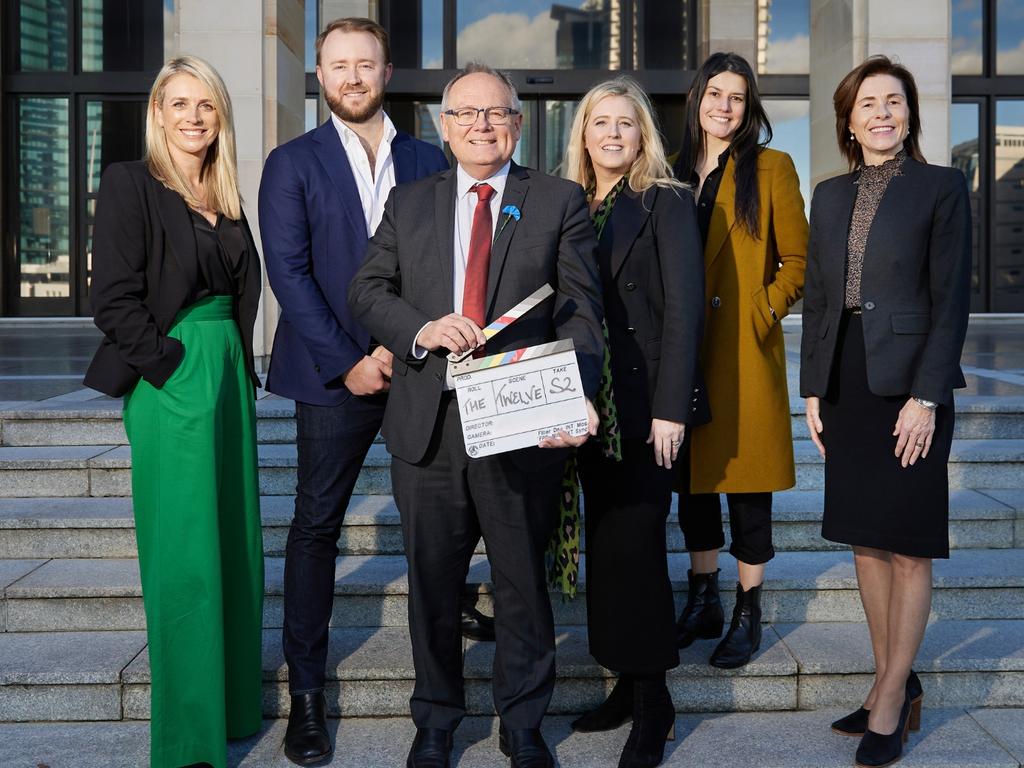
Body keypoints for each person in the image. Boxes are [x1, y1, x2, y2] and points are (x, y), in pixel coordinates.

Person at [349, 62, 604, 768]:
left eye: (496, 114)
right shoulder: (410, 202)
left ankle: (521, 723)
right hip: (428, 425)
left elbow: (581, 308)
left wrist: (578, 386)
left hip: (522, 423)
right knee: (433, 583)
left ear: (518, 125)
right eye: (466, 114)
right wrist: (421, 328)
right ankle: (435, 720)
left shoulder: (557, 200)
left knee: (521, 581)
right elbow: (367, 290)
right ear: (444, 126)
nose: (481, 125)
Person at [257, 17, 449, 766]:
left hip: (422, 371)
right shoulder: (291, 162)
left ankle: (441, 693)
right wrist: (350, 363)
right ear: (320, 73)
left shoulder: (431, 155)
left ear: (388, 71)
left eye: (364, 63)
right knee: (315, 529)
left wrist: (407, 344)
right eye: (338, 65)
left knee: (440, 522)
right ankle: (306, 700)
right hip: (333, 376)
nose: (352, 76)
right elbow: (290, 275)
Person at [84, 56, 263, 768]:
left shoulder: (224, 193)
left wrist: (230, 374)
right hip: (177, 379)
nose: (194, 117)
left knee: (236, 550)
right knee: (186, 558)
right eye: (180, 104)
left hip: (227, 378)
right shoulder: (132, 183)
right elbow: (113, 300)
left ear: (221, 118)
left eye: (207, 106)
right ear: (157, 111)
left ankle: (233, 708)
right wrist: (173, 368)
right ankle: (189, 739)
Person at [801, 55, 971, 768]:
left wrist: (926, 397)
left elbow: (952, 297)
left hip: (908, 386)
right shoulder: (830, 193)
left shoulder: (942, 187)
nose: (881, 113)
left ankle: (894, 702)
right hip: (844, 383)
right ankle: (886, 683)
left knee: (907, 545)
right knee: (866, 542)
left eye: (893, 102)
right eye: (867, 103)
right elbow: (817, 295)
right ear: (848, 118)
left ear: (910, 115)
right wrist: (811, 388)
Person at [560, 77, 705, 768]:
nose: (613, 134)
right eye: (600, 123)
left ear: (643, 133)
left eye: (626, 123)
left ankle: (654, 704)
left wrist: (673, 406)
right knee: (608, 547)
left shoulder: (667, 202)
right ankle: (622, 682)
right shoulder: (567, 205)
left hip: (645, 408)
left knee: (639, 549)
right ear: (582, 135)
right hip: (583, 405)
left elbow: (685, 309)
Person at [671, 52, 807, 669]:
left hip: (742, 352)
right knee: (691, 480)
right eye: (715, 93)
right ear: (697, 97)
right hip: (680, 348)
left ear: (750, 107)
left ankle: (748, 607)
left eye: (737, 96)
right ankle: (703, 597)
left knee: (746, 484)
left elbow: (799, 264)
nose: (724, 106)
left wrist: (759, 312)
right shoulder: (668, 170)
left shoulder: (771, 167)